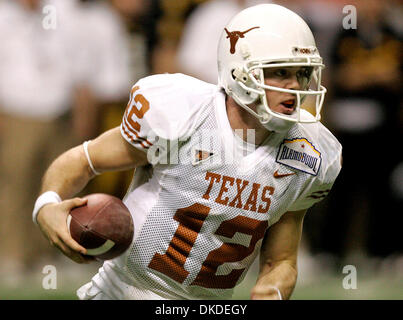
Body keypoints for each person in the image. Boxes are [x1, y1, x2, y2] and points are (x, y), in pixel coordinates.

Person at [33, 4, 342, 300]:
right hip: (123, 292)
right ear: (240, 72)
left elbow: (282, 261)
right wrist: (47, 205)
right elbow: (85, 160)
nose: (295, 86)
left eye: (302, 73)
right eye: (280, 72)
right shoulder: (182, 116)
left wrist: (274, 289)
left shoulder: (309, 155)